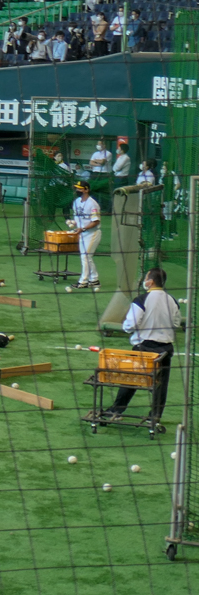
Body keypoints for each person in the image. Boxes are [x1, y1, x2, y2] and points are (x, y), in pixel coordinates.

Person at [107, 268, 182, 425]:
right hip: (165, 349)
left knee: (131, 379)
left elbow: (130, 325)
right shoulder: (172, 301)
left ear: (151, 282)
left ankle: (116, 411)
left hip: (144, 348)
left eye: (146, 278)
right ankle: (155, 416)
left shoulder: (141, 300)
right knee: (160, 384)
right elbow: (176, 323)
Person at [68, 181, 102, 292]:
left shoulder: (92, 204)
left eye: (80, 188)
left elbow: (96, 221)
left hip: (92, 233)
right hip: (83, 234)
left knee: (85, 256)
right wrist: (73, 223)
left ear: (86, 190)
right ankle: (94, 280)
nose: (77, 190)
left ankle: (83, 281)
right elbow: (79, 218)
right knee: (87, 257)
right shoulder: (76, 202)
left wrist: (82, 228)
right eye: (77, 188)